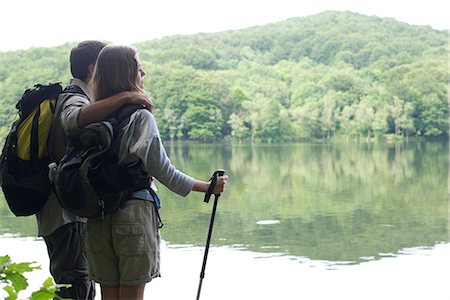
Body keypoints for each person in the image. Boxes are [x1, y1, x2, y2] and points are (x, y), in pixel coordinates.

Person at [71, 44, 228, 300]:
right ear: (126, 73)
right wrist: (209, 186)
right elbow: (164, 171)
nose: (143, 72)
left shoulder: (92, 116)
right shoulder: (140, 117)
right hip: (133, 215)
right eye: (138, 66)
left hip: (98, 216)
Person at [36, 40, 153, 300]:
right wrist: (127, 95)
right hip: (66, 216)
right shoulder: (74, 98)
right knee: (76, 288)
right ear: (93, 69)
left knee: (83, 286)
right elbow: (72, 120)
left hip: (73, 211)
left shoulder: (91, 100)